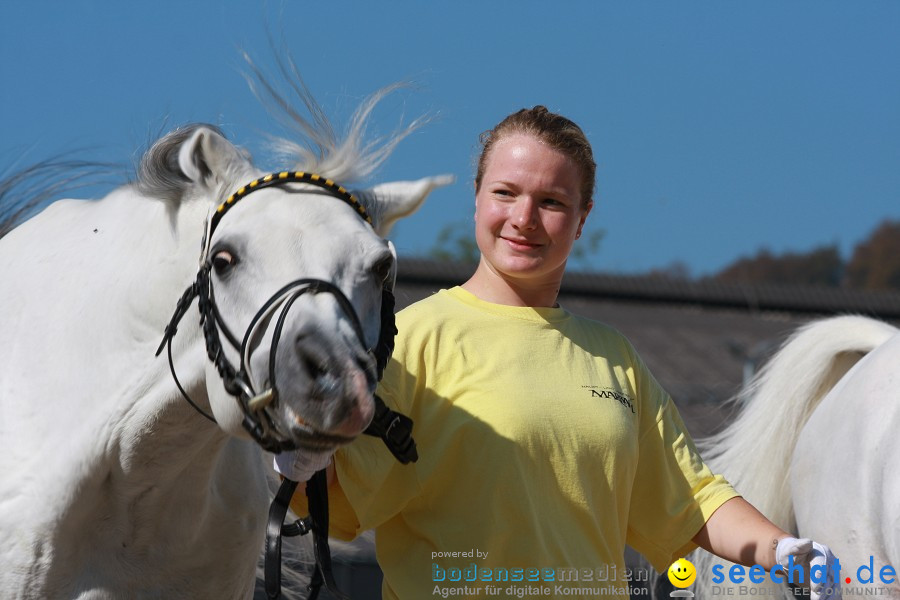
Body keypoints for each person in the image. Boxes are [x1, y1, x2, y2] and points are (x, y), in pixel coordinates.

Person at [276, 106, 841, 600]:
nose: (524, 218)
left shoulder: (613, 357)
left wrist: (782, 548)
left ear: (582, 219)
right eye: (506, 193)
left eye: (551, 201)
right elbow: (336, 496)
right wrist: (298, 456)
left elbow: (691, 497)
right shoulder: (410, 341)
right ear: (476, 199)